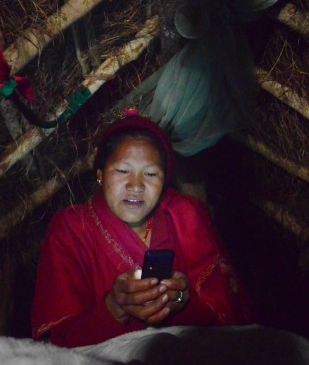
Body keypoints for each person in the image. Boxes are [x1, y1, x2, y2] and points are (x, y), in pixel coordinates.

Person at [31, 110, 253, 347]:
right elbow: (60, 344)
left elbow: (228, 318)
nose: (136, 185)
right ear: (100, 175)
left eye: (150, 174)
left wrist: (181, 300)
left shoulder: (185, 214)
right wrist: (115, 308)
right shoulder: (71, 228)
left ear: (164, 181)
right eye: (122, 171)